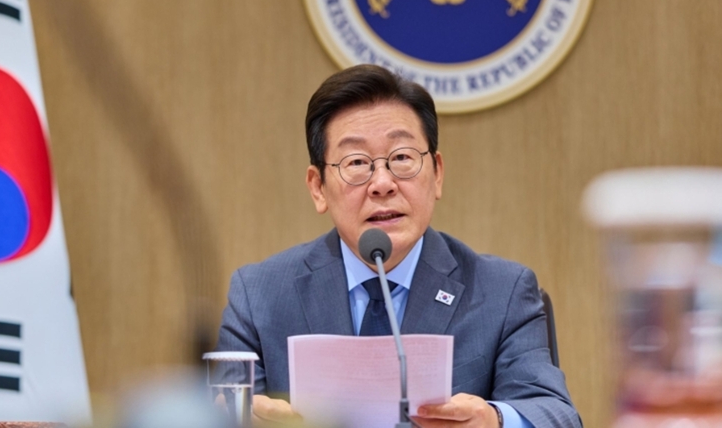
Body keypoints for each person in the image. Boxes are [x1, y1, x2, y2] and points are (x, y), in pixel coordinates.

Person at [216, 64, 581, 427]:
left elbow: (556, 414)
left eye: (402, 158)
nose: (382, 183)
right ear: (318, 187)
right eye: (356, 162)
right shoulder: (259, 297)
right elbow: (219, 413)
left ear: (437, 174)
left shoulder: (502, 292)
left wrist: (495, 420)